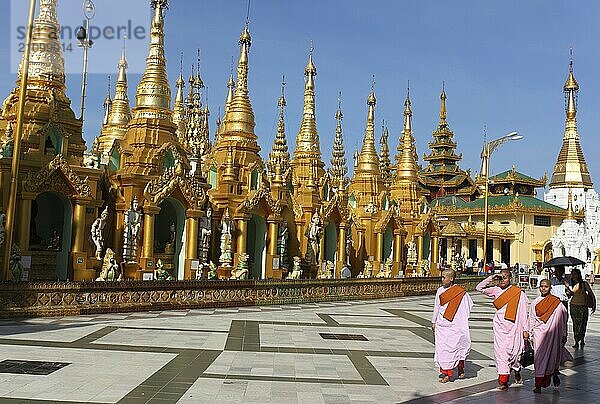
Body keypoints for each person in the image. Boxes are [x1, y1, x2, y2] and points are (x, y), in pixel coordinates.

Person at [476, 269, 529, 390]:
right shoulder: (496, 289)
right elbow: (479, 288)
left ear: (510, 278)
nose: (502, 279)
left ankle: (516, 370)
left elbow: (523, 312)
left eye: (505, 277)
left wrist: (525, 329)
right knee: (501, 353)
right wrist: (492, 277)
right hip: (500, 327)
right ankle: (503, 380)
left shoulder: (518, 292)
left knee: (516, 353)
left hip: (515, 326)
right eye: (501, 277)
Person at [529, 279, 573, 394]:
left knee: (552, 358)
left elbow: (563, 317)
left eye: (546, 287)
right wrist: (529, 333)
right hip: (539, 334)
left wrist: (563, 333)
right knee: (538, 359)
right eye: (541, 286)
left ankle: (552, 374)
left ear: (550, 288)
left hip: (553, 335)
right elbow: (532, 319)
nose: (543, 289)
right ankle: (538, 384)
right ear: (539, 287)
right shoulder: (535, 302)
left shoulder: (556, 302)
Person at [432, 269, 473, 383]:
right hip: (442, 324)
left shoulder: (460, 292)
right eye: (441, 277)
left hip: (455, 325)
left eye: (444, 277)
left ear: (451, 279)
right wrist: (433, 321)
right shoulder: (440, 290)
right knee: (443, 349)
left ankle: (460, 366)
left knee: (457, 346)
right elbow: (437, 307)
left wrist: (460, 318)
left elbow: (468, 306)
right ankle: (446, 373)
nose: (442, 279)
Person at [565, 267, 596, 349]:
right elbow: (569, 295)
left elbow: (591, 293)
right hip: (573, 306)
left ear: (578, 275)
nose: (573, 276)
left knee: (583, 324)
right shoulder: (572, 284)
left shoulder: (584, 283)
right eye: (572, 274)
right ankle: (576, 341)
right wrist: (567, 289)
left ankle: (582, 339)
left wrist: (594, 304)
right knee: (576, 324)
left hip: (583, 306)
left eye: (575, 274)